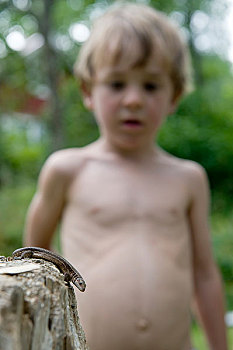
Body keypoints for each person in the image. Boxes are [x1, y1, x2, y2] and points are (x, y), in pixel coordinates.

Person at [24, 3, 228, 350]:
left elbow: (205, 274)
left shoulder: (187, 179)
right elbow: (34, 259)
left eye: (151, 86)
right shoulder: (67, 170)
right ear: (88, 90)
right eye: (117, 84)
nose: (133, 100)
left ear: (174, 96)